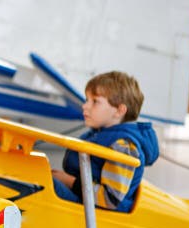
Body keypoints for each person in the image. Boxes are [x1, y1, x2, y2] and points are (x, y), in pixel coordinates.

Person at [51, 71, 159, 212]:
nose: (85, 106)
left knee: (38, 184)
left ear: (119, 110)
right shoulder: (100, 133)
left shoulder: (123, 146)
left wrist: (68, 181)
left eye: (95, 101)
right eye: (87, 100)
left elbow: (109, 200)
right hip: (84, 200)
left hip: (96, 213)